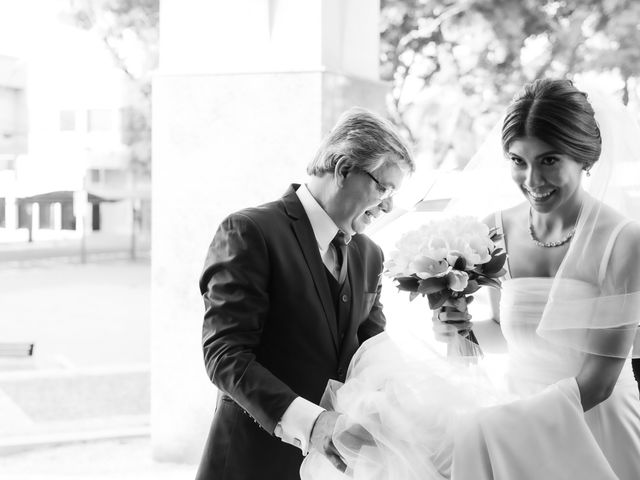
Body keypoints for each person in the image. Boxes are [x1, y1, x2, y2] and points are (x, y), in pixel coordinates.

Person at [300, 79, 640, 480]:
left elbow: (599, 382)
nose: (532, 180)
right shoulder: (494, 229)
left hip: (593, 423)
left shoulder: (624, 242)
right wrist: (459, 331)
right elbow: (502, 332)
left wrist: (488, 429)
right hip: (518, 409)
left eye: (549, 161)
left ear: (584, 159)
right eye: (518, 161)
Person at [195, 107, 415, 480]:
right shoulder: (250, 231)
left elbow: (372, 354)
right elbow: (225, 355)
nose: (389, 204)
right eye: (384, 187)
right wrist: (313, 424)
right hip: (250, 464)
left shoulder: (369, 255)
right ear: (344, 169)